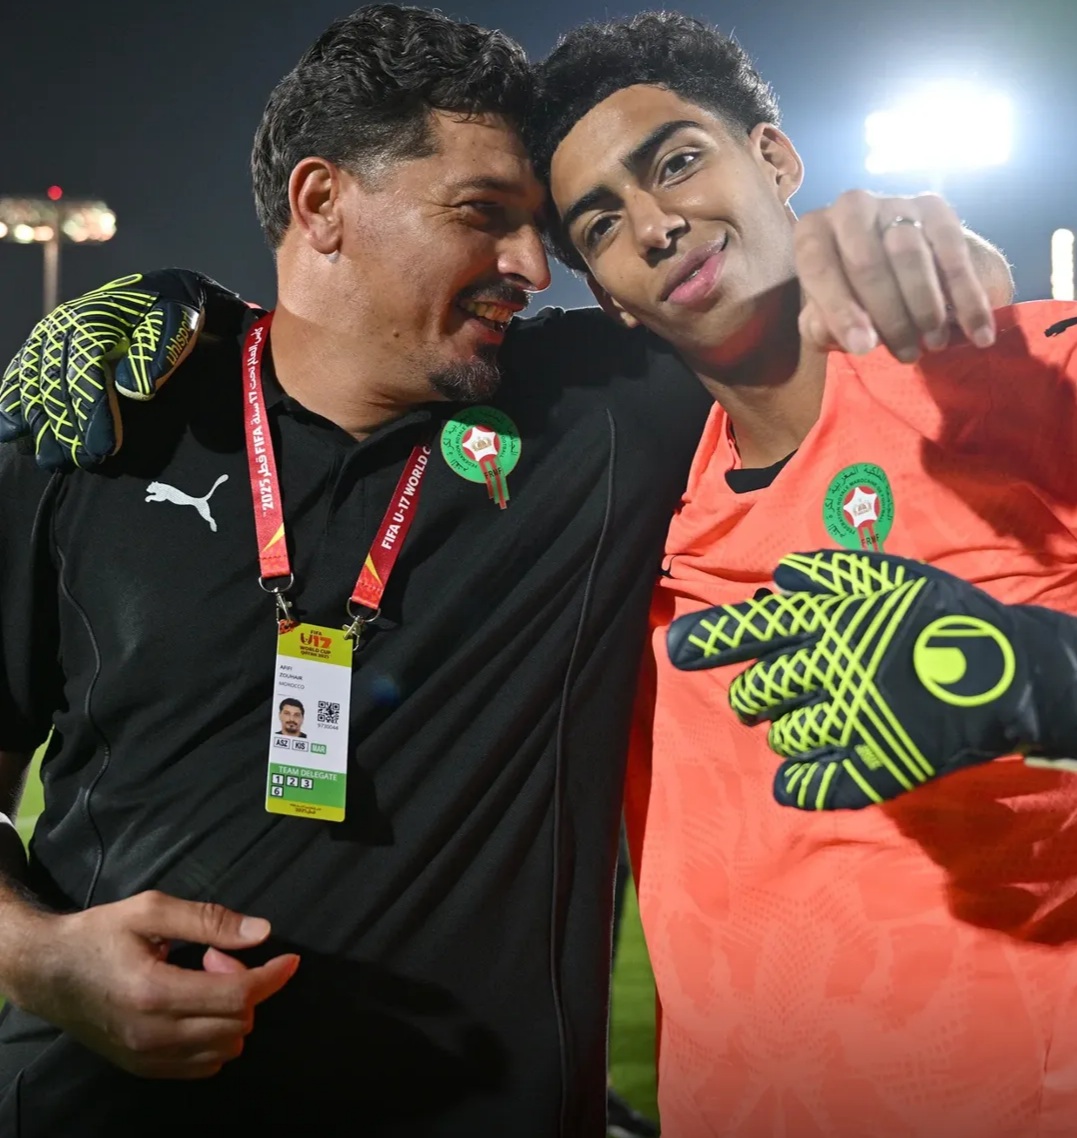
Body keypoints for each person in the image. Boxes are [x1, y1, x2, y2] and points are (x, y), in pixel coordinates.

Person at [0, 7, 1013, 1136]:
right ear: (321, 203)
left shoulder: (599, 409)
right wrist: (36, 956)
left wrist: (887, 233)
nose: (533, 268)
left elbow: (775, 294)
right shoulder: (100, 424)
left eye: (542, 227)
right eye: (483, 215)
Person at [524, 11, 1077, 1136]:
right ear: (609, 296)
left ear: (774, 157)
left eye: (676, 161)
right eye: (603, 223)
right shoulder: (629, 521)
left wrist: (1040, 675)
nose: (656, 224)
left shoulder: (1032, 375)